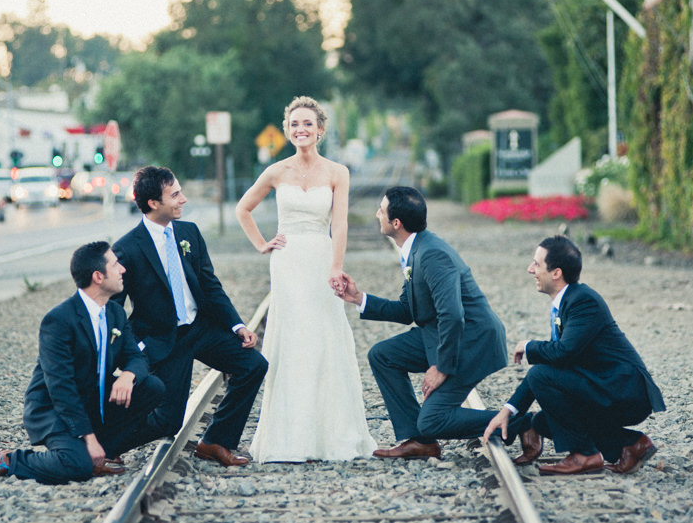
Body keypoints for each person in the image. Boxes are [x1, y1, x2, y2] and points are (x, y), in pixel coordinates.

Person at [235, 96, 376, 462]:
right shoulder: (276, 171)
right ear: (286, 131)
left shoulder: (336, 172)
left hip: (320, 257)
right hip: (287, 261)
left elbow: (339, 223)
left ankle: (331, 434)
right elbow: (243, 208)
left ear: (320, 130)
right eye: (295, 124)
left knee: (325, 336)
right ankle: (290, 438)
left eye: (308, 124)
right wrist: (262, 244)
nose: (301, 129)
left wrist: (336, 265)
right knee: (293, 339)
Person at [334, 186, 508, 459]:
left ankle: (520, 423)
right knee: (383, 355)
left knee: (433, 420)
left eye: (381, 209)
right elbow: (407, 311)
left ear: (396, 223)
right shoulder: (415, 249)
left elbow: (453, 315)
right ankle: (418, 440)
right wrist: (358, 299)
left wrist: (441, 366)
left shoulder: (431, 255)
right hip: (441, 334)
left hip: (472, 341)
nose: (376, 213)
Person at [111, 166, 267, 467]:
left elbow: (209, 284)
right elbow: (114, 311)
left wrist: (237, 325)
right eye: (175, 194)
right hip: (162, 340)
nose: (183, 199)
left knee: (253, 365)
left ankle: (215, 441)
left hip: (200, 327)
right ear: (154, 203)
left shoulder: (188, 233)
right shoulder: (127, 249)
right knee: (169, 421)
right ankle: (110, 444)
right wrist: (133, 353)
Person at [0, 241, 165, 484]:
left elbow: (137, 358)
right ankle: (11, 460)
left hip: (93, 403)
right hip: (56, 409)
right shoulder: (59, 320)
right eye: (116, 265)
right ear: (98, 276)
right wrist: (89, 438)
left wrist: (129, 375)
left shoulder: (114, 313)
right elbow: (61, 388)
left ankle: (99, 454)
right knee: (76, 467)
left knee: (152, 387)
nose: (122, 270)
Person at [481, 235, 665, 476]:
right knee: (545, 422)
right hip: (603, 385)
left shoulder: (582, 301)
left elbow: (563, 354)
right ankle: (631, 445)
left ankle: (585, 455)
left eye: (536, 264)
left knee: (541, 375)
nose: (530, 269)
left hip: (623, 390)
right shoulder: (568, 301)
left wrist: (529, 346)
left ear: (556, 273)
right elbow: (559, 362)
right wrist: (508, 411)